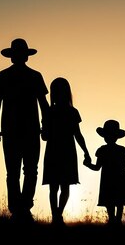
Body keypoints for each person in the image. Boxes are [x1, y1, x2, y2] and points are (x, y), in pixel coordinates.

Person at [0, 38, 50, 223]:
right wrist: (46, 126)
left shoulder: (3, 76)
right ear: (26, 56)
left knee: (14, 171)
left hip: (12, 131)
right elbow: (44, 105)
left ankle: (17, 208)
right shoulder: (35, 76)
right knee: (30, 170)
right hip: (29, 131)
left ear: (12, 57)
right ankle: (23, 207)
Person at [41, 77, 91, 225]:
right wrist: (86, 152)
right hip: (68, 151)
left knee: (53, 187)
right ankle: (58, 215)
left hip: (53, 150)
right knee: (65, 186)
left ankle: (55, 215)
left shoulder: (49, 112)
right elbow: (78, 134)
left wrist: (44, 130)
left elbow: (45, 137)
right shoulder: (72, 112)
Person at [84, 119, 125, 226]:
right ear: (117, 137)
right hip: (121, 178)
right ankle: (117, 222)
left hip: (107, 179)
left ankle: (112, 221)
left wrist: (87, 164)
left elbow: (96, 168)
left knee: (110, 202)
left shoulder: (102, 150)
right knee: (119, 202)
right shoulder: (121, 150)